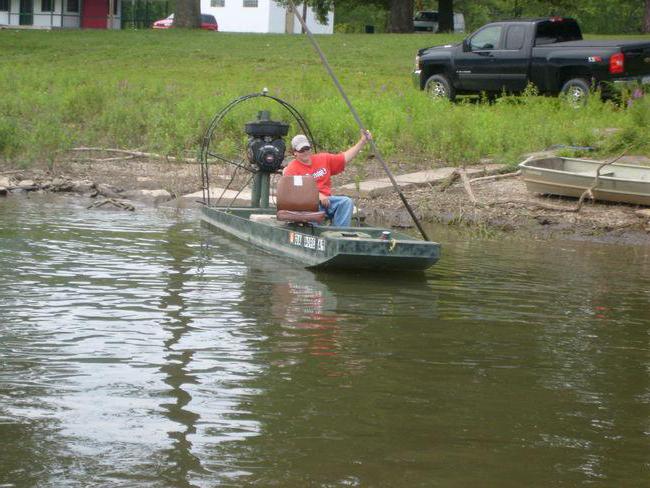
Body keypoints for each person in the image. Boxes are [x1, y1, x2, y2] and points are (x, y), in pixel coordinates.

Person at [282, 131, 371, 227]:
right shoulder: (292, 169)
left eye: (307, 148)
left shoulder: (323, 159)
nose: (305, 152)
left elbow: (344, 158)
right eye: (301, 150)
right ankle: (314, 234)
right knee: (309, 208)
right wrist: (317, 195)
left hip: (328, 201)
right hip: (307, 204)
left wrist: (362, 141)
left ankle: (338, 235)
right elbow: (295, 192)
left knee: (346, 202)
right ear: (295, 152)